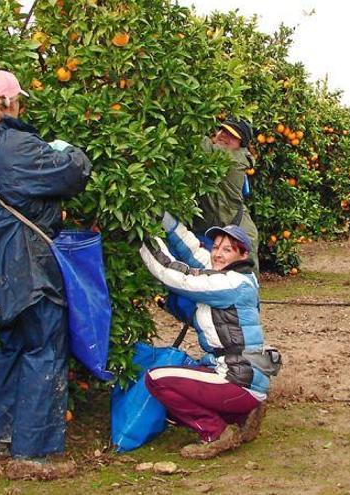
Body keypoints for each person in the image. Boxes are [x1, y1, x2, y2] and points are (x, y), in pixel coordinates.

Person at [0, 70, 92, 479]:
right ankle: (32, 452)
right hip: (30, 266)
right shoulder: (17, 146)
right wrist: (70, 150)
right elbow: (72, 173)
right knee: (43, 349)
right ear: (11, 102)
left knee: (13, 348)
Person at [137, 213, 280, 459]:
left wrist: (139, 234)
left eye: (227, 249)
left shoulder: (231, 284)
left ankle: (215, 432)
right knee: (180, 384)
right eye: (216, 247)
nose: (218, 254)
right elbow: (192, 248)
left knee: (157, 379)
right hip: (241, 377)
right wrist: (163, 218)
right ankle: (240, 415)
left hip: (236, 379)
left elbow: (173, 273)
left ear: (243, 255)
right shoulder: (231, 275)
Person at [194, 118, 260, 271]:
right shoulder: (210, 160)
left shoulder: (235, 160)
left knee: (243, 280)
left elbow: (198, 144)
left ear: (241, 144)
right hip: (210, 229)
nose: (224, 135)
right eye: (222, 130)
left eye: (232, 135)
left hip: (239, 230)